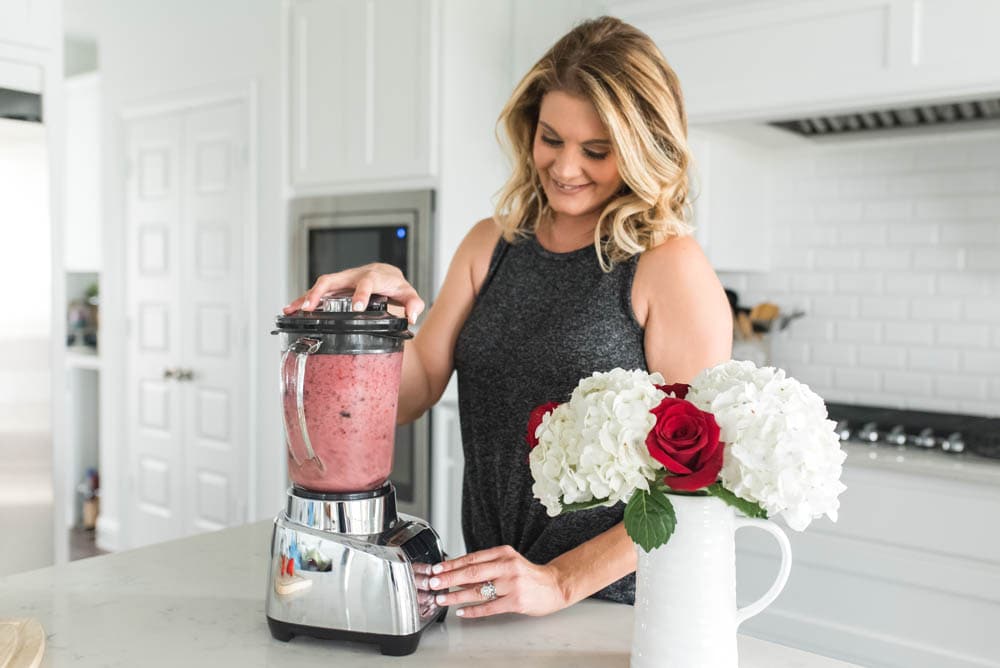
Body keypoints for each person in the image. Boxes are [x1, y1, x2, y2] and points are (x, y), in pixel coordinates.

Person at [284, 16, 731, 618]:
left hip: (622, 607)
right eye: (551, 139)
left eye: (596, 151)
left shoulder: (666, 264)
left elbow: (702, 483)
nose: (566, 168)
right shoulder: (489, 245)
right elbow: (408, 395)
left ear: (640, 148)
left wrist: (562, 582)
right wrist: (384, 317)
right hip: (495, 590)